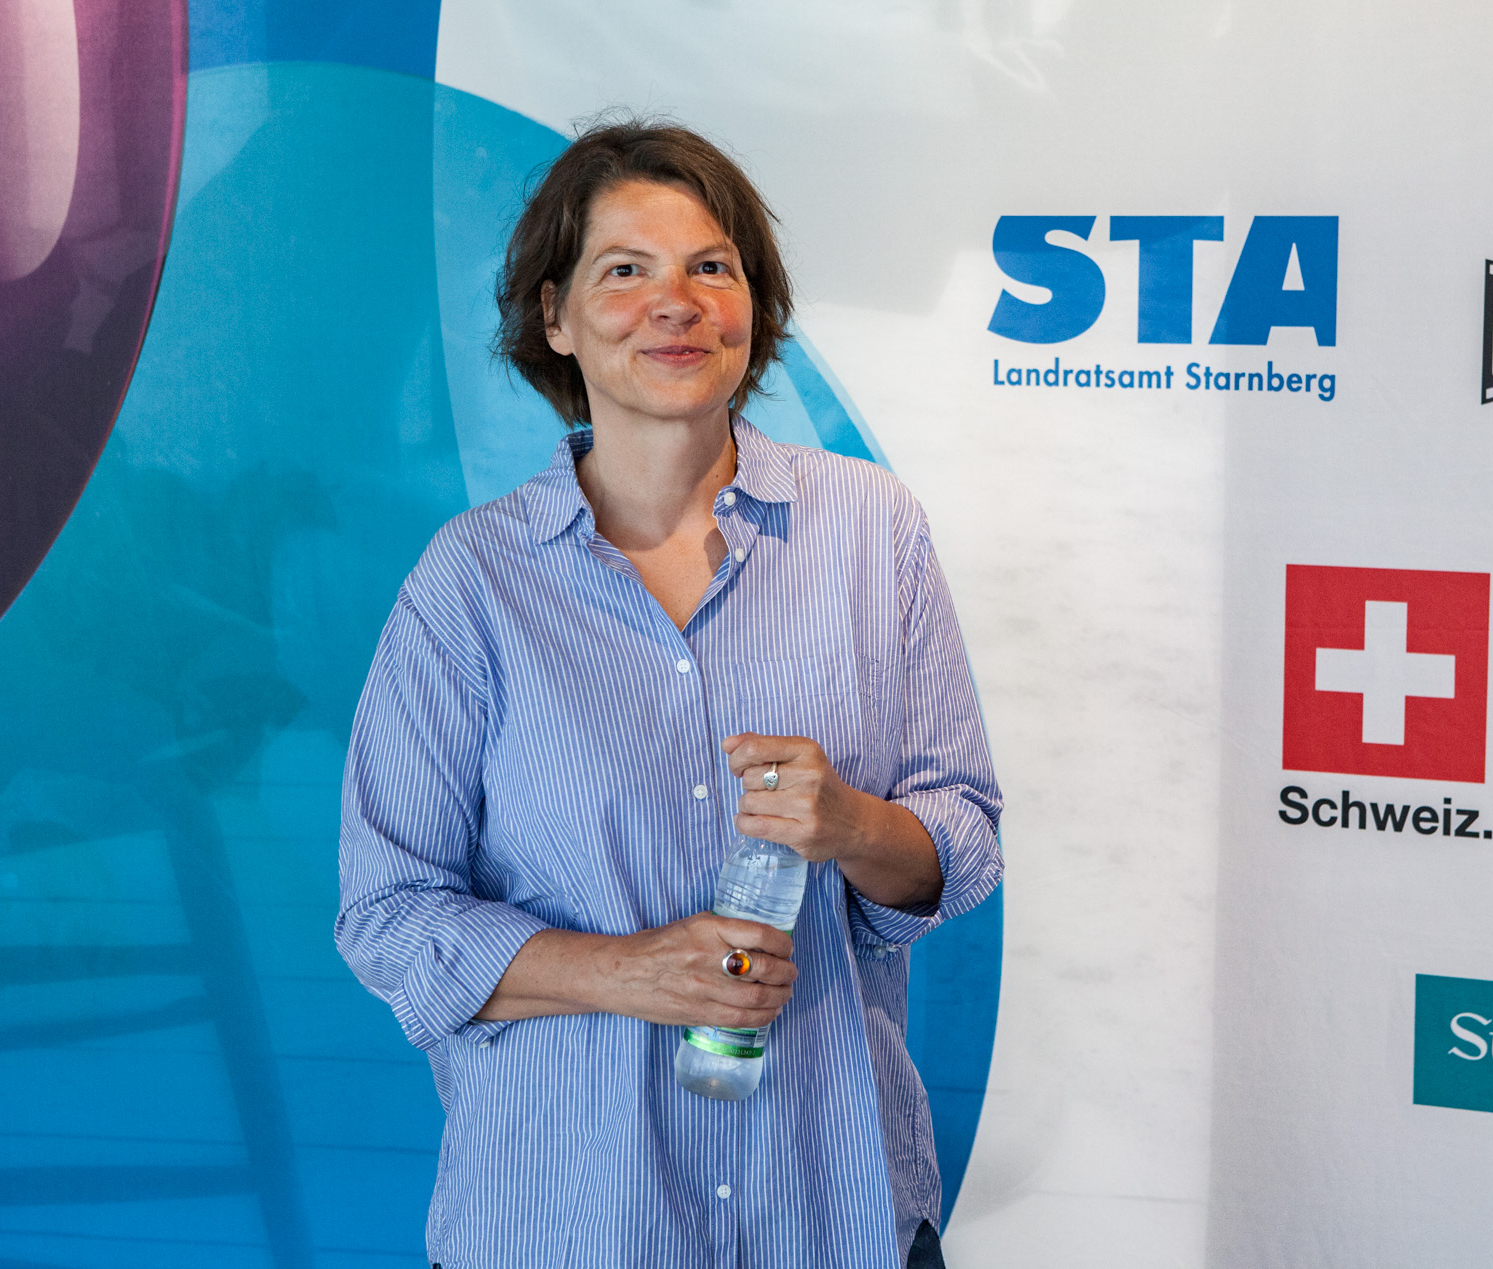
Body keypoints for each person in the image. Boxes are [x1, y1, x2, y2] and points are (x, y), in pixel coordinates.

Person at [336, 119, 1002, 1269]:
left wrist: (851, 825)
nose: (675, 303)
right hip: (566, 1224)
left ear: (754, 303)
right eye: (624, 270)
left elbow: (965, 842)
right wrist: (628, 970)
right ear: (554, 315)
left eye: (710, 266)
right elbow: (388, 918)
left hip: (827, 1216)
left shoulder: (871, 529)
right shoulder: (473, 580)